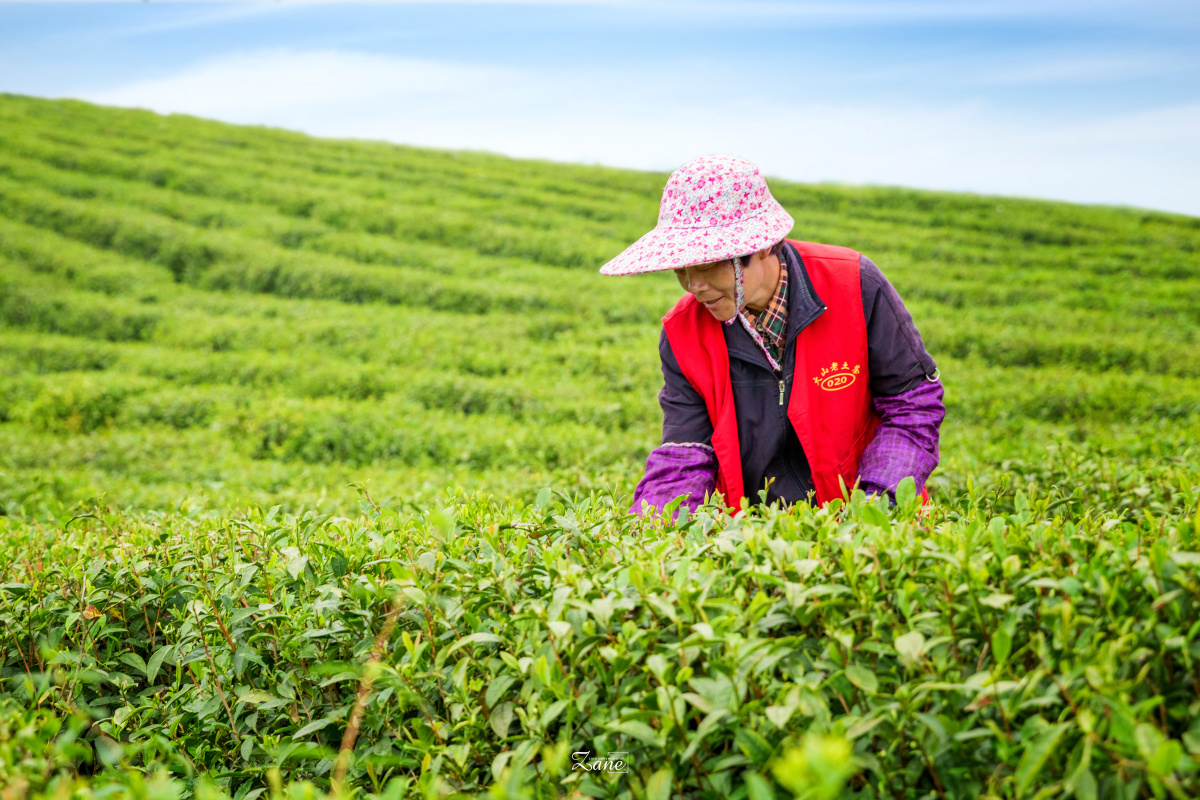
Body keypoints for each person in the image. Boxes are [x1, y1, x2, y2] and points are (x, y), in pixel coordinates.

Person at [599, 155, 944, 514]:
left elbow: (912, 405)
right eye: (681, 269)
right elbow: (685, 453)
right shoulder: (683, 333)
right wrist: (654, 527)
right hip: (755, 532)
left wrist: (875, 508)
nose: (694, 285)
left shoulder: (855, 286)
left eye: (707, 264)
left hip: (863, 520)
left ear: (762, 245)